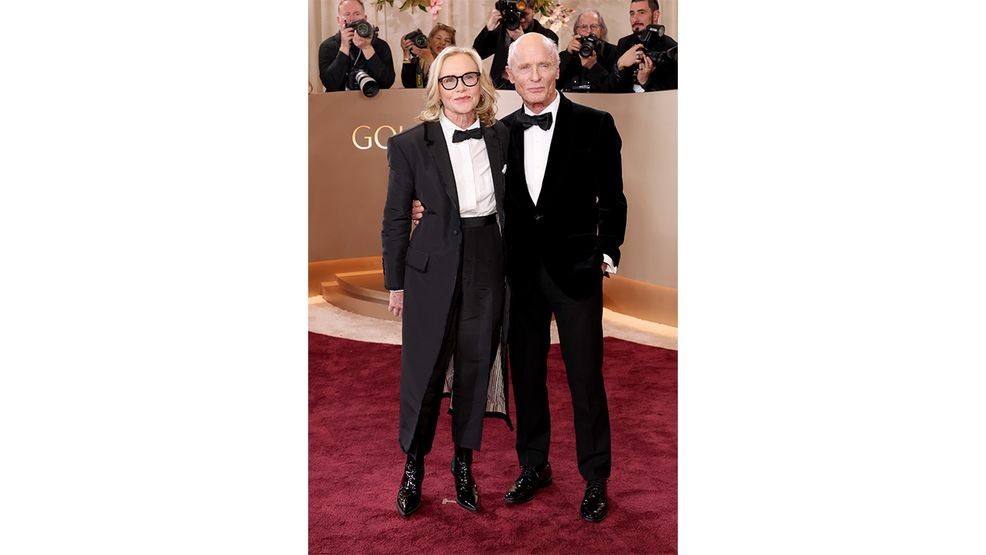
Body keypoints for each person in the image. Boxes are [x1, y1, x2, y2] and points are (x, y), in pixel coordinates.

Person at [499, 33, 627, 523]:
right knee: (526, 375)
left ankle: (596, 477)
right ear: (509, 75)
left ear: (558, 68)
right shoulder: (500, 131)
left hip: (576, 271)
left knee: (585, 377)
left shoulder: (595, 124)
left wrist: (606, 253)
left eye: (542, 66)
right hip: (520, 275)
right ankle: (534, 465)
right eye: (523, 68)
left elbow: (613, 199)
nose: (533, 76)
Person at [381, 46, 511, 517]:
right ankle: (413, 466)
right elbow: (395, 218)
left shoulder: (503, 138)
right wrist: (396, 283)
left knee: (475, 366)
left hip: (487, 260)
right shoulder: (410, 144)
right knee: (425, 371)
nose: (460, 88)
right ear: (437, 87)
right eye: (450, 80)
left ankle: (463, 467)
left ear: (481, 83)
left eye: (468, 78)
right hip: (430, 265)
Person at [472, 2, 558, 90]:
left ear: (534, 9)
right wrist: (490, 25)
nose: (522, 20)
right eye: (517, 15)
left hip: (529, 89)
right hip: (498, 88)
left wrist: (522, 40)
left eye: (525, 14)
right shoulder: (504, 29)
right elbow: (477, 53)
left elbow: (544, 65)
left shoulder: (547, 36)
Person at [318, 0, 396, 92]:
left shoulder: (380, 45)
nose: (352, 19)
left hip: (374, 102)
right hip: (338, 103)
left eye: (357, 14)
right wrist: (344, 47)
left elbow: (387, 82)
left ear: (365, 18)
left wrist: (367, 48)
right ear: (339, 20)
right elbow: (330, 84)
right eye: (347, 14)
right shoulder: (327, 46)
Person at [611, 0, 678, 92]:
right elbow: (610, 89)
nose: (635, 19)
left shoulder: (670, 48)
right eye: (632, 14)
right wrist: (620, 65)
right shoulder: (624, 43)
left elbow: (673, 95)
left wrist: (645, 81)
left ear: (655, 15)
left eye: (641, 13)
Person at [558, 10, 619, 93]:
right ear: (577, 31)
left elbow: (614, 88)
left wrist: (593, 66)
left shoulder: (613, 52)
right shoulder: (568, 54)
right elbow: (555, 84)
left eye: (593, 27)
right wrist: (567, 54)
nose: (589, 31)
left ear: (602, 30)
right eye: (584, 27)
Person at [401, 24, 456, 89]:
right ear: (429, 41)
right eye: (438, 38)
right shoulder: (418, 62)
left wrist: (430, 60)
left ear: (451, 46)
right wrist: (406, 54)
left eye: (447, 41)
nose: (442, 43)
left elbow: (447, 84)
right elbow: (408, 85)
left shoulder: (454, 64)